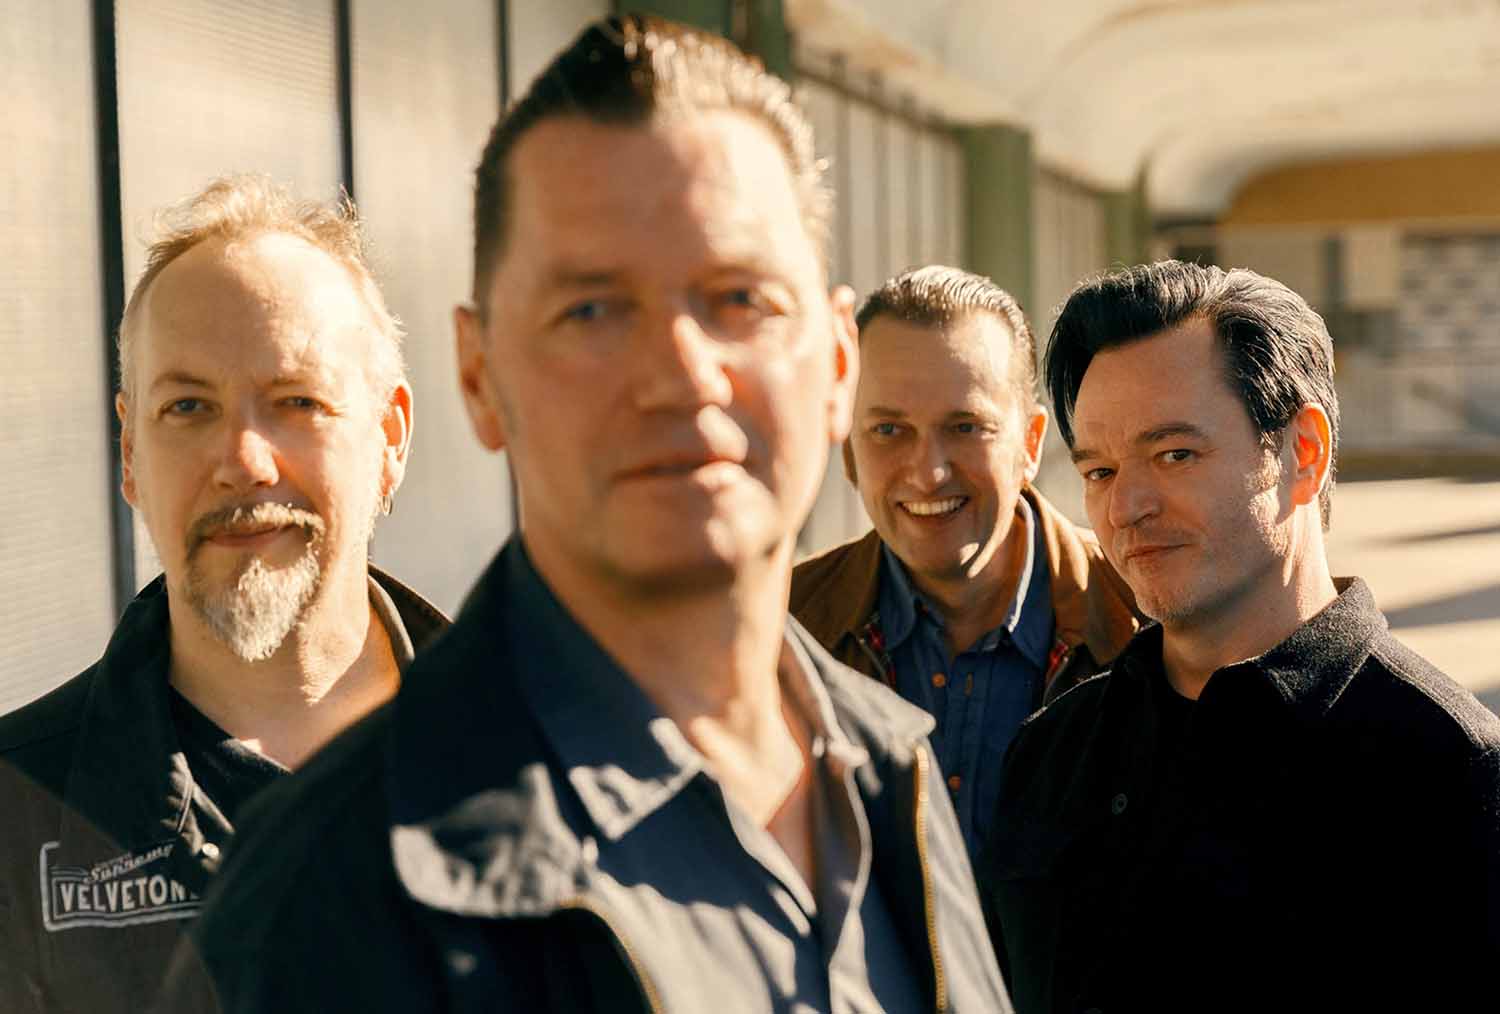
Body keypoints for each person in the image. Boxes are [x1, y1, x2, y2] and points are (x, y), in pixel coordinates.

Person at [163, 16, 1010, 1014]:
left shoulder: (891, 772)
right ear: (479, 376)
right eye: (594, 310)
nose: (682, 373)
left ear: (834, 364)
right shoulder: (326, 900)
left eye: (740, 298)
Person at [984, 260, 1500, 1013]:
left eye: (1175, 455)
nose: (1125, 507)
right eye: (1098, 471)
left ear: (1303, 452)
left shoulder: (1453, 771)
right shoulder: (1049, 756)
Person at [0, 176, 448, 1014]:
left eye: (297, 401)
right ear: (130, 456)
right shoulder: (17, 821)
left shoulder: (562, 762)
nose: (243, 461)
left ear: (389, 438)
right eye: (189, 406)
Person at [791, 266, 1138, 862]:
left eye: (965, 427)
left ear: (1030, 444)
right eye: (889, 429)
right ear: (848, 449)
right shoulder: (781, 631)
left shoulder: (1146, 619)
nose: (929, 472)